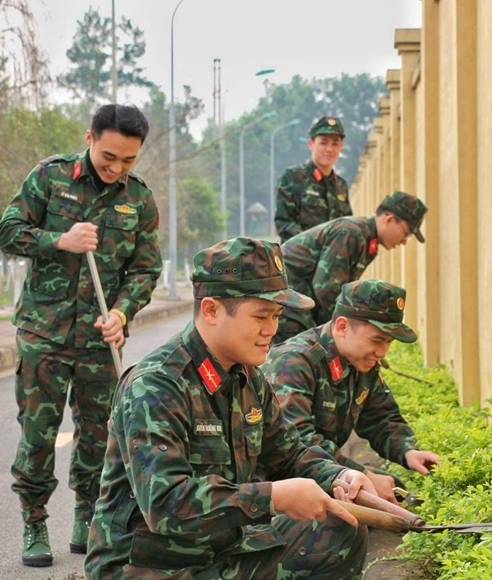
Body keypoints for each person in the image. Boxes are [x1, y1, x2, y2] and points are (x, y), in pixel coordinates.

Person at [84, 238, 375, 580]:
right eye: (261, 316)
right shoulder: (156, 385)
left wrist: (338, 476)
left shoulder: (247, 376)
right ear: (211, 311)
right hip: (151, 565)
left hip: (222, 551)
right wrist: (274, 497)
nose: (272, 330)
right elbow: (166, 506)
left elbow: (288, 454)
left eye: (277, 316)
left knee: (341, 530)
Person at [0, 103, 162, 567]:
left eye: (128, 160)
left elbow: (146, 270)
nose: (116, 168)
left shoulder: (140, 200)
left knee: (97, 436)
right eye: (109, 156)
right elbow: (8, 231)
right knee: (38, 433)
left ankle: (87, 516)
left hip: (98, 338)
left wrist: (123, 313)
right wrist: (58, 240)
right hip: (44, 333)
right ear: (90, 139)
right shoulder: (49, 178)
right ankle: (34, 521)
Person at [262, 279, 441, 504]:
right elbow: (297, 441)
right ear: (342, 326)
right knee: (348, 522)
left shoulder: (361, 360)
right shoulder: (294, 363)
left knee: (393, 489)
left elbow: (380, 417)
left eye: (388, 342)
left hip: (323, 472)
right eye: (376, 340)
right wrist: (363, 475)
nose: (382, 352)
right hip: (279, 486)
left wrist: (407, 451)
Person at [273, 190, 427, 345]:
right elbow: (326, 290)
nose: (404, 241)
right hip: (289, 300)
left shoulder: (367, 239)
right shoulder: (351, 233)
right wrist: (350, 332)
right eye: (406, 233)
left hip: (301, 300)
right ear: (389, 219)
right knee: (295, 357)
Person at [274, 116, 352, 243]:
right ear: (311, 144)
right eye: (323, 142)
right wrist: (315, 246)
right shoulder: (292, 178)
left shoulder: (341, 186)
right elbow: (284, 224)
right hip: (299, 259)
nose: (329, 149)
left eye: (335, 143)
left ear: (341, 147)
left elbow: (347, 226)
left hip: (332, 261)